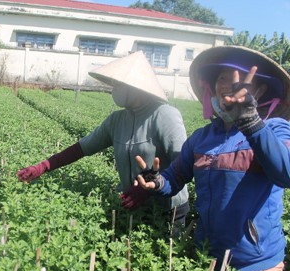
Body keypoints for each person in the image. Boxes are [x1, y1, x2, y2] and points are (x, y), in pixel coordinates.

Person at [129, 46, 290, 271]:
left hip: (255, 267)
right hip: (206, 260)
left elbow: (286, 173)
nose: (228, 84)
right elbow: (176, 178)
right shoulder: (201, 138)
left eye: (240, 78)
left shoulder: (275, 128)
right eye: (222, 78)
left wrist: (250, 121)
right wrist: (157, 181)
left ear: (260, 89)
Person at [16, 51, 189, 231]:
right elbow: (82, 148)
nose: (114, 90)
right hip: (132, 204)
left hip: (168, 209)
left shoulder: (165, 115)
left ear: (136, 86)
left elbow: (183, 161)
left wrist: (151, 186)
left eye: (118, 85)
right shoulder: (117, 120)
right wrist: (43, 166)